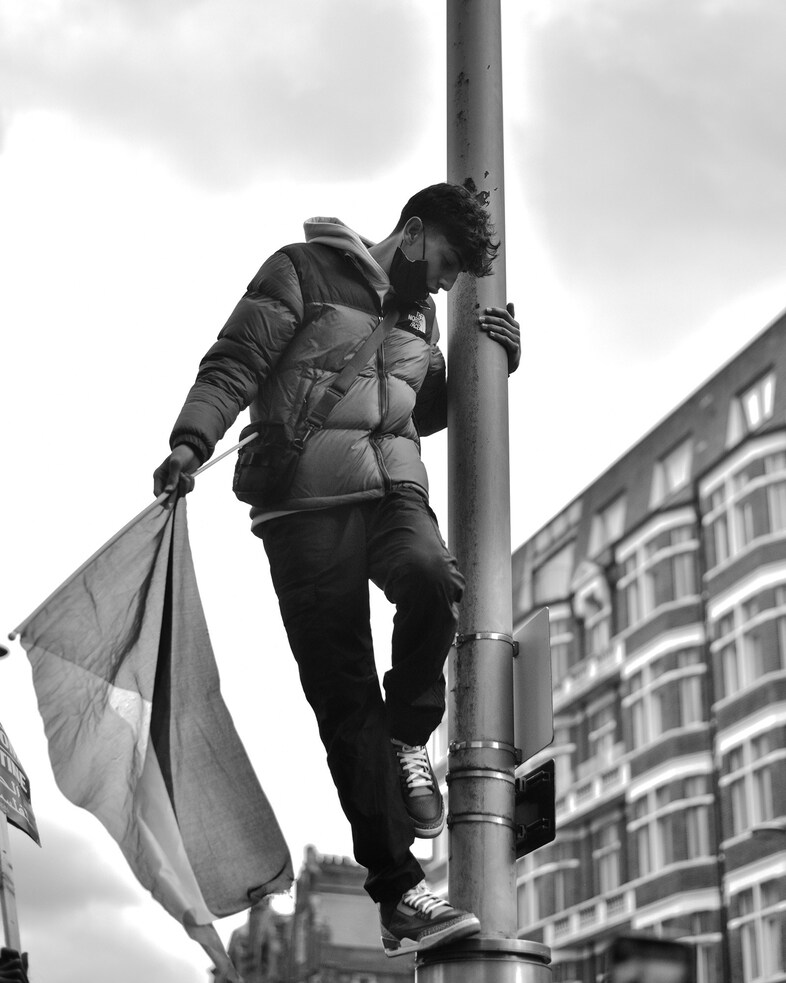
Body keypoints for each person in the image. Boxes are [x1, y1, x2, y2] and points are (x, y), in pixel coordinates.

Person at [153, 183, 520, 956]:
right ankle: (398, 891)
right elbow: (237, 360)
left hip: (392, 490)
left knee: (432, 577)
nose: (445, 286)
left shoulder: (421, 317)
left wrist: (493, 362)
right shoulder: (302, 271)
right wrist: (191, 439)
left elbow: (422, 407)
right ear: (411, 233)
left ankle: (407, 736)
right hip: (304, 506)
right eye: (445, 264)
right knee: (345, 693)